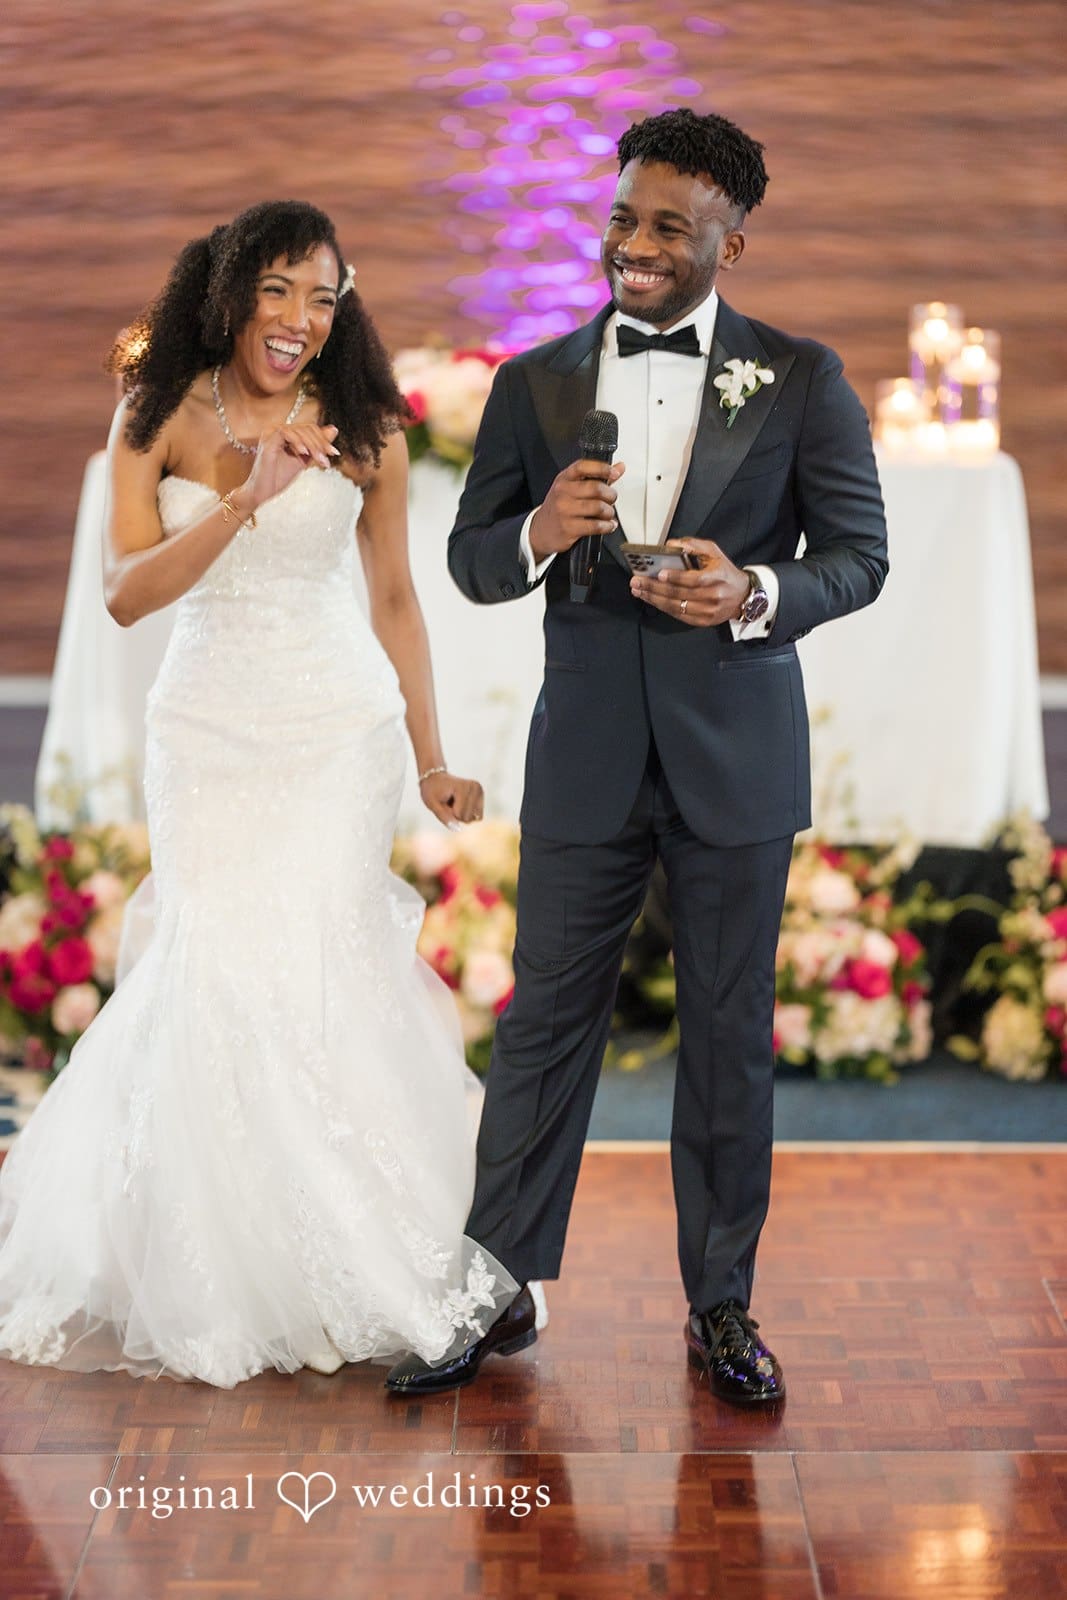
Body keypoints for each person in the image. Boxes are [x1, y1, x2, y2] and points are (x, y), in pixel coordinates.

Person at [386, 109, 888, 1404]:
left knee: (725, 1036)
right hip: (588, 755)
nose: (636, 243)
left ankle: (720, 1306)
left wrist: (753, 589)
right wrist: (539, 531)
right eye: (622, 217)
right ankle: (494, 1288)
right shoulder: (535, 381)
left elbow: (856, 557)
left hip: (735, 755)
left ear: (731, 241)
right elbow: (471, 560)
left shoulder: (800, 377)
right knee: (544, 1025)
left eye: (670, 224)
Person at [0, 200, 527, 1387]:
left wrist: (432, 757)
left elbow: (394, 598)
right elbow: (127, 593)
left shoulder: (365, 425)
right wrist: (248, 493)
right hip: (206, 729)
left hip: (338, 729)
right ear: (230, 291)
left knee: (317, 970)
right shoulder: (157, 412)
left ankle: (357, 1254)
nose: (299, 318)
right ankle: (241, 1269)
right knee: (218, 968)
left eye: (323, 297)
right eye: (278, 290)